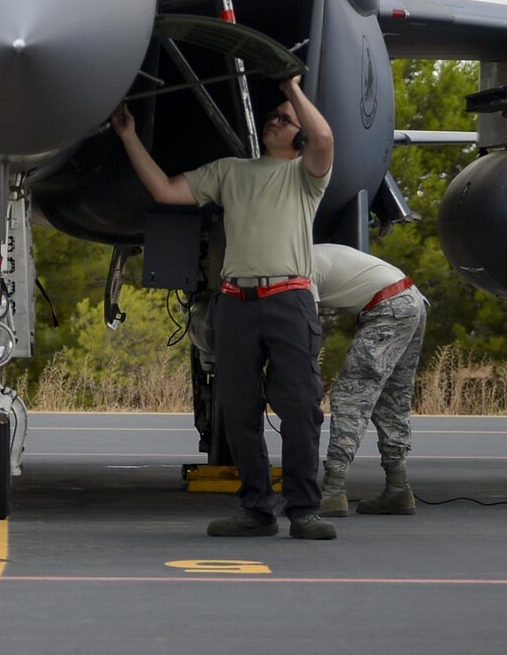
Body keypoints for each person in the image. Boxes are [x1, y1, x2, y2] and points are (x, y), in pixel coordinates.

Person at [111, 75, 336, 540]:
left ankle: (304, 510)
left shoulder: (305, 177)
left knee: (299, 408)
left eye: (285, 118)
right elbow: (166, 191)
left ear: (299, 136)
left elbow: (326, 137)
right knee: (239, 410)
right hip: (236, 303)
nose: (275, 120)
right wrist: (128, 136)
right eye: (273, 115)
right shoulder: (230, 171)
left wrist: (292, 87)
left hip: (290, 300)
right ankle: (256, 509)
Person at [311, 242, 427, 517]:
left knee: (351, 397)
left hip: (388, 307)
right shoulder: (315, 252)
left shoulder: (300, 266)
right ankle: (398, 487)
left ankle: (332, 490)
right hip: (412, 300)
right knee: (392, 400)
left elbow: (307, 322)